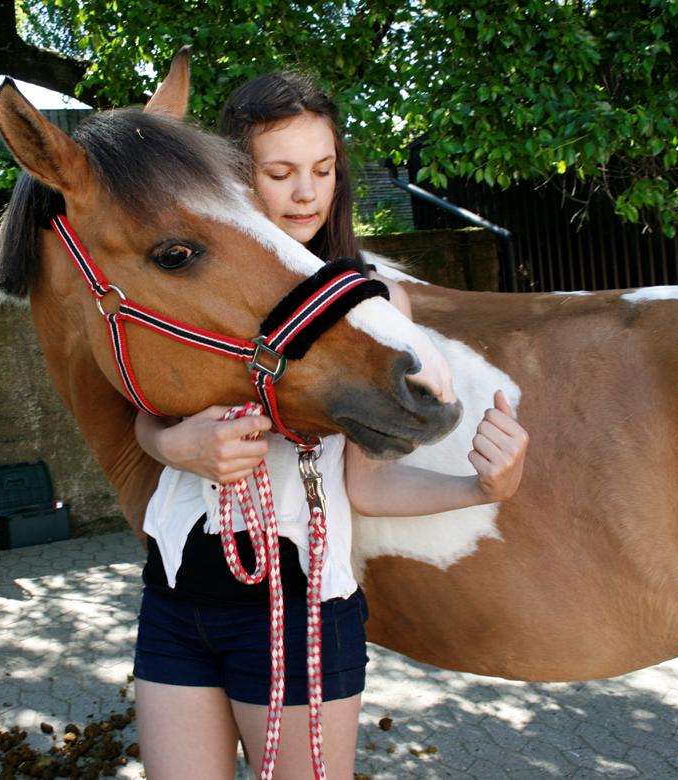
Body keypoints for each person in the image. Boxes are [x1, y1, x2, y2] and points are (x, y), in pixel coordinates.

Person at [130, 71, 531, 779]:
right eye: (280, 172)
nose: (307, 193)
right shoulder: (197, 271)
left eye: (322, 170)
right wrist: (175, 444)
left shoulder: (370, 300)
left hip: (293, 615)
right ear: (231, 173)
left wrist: (483, 488)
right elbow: (146, 415)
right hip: (175, 599)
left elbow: (367, 488)